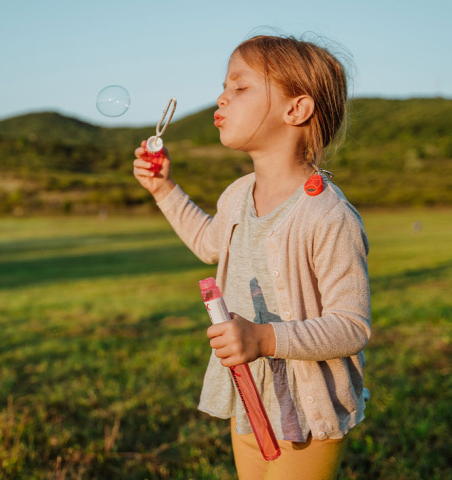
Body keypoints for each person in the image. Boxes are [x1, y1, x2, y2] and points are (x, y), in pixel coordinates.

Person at [133, 34, 371, 480]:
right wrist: (164, 189)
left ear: (296, 110)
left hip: (306, 410)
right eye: (225, 85)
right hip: (248, 391)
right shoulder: (239, 193)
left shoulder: (327, 214)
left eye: (240, 87)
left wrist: (264, 339)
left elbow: (352, 326)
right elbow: (210, 244)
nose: (222, 96)